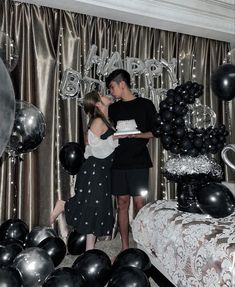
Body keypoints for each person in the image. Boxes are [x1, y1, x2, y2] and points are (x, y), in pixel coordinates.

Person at [50, 91, 118, 251]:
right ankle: (64, 205)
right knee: (93, 206)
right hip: (95, 170)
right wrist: (115, 139)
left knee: (95, 208)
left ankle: (89, 249)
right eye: (101, 95)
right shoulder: (98, 121)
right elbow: (93, 149)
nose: (106, 95)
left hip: (101, 170)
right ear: (97, 104)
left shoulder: (104, 121)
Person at [105, 69, 157, 251]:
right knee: (121, 204)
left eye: (112, 87)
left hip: (139, 163)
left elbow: (156, 132)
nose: (110, 91)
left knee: (139, 204)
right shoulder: (113, 108)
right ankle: (125, 247)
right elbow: (105, 132)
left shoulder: (146, 105)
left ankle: (141, 246)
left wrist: (136, 136)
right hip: (118, 163)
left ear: (122, 84)